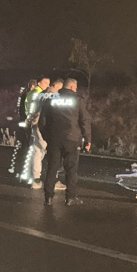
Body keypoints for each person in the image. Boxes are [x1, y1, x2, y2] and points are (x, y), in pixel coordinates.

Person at [39, 78, 91, 207]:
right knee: (71, 170)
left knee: (52, 168)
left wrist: (47, 137)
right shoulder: (78, 101)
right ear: (73, 87)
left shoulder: (50, 99)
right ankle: (70, 198)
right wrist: (88, 139)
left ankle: (48, 198)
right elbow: (85, 121)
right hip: (72, 139)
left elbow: (42, 122)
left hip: (54, 140)